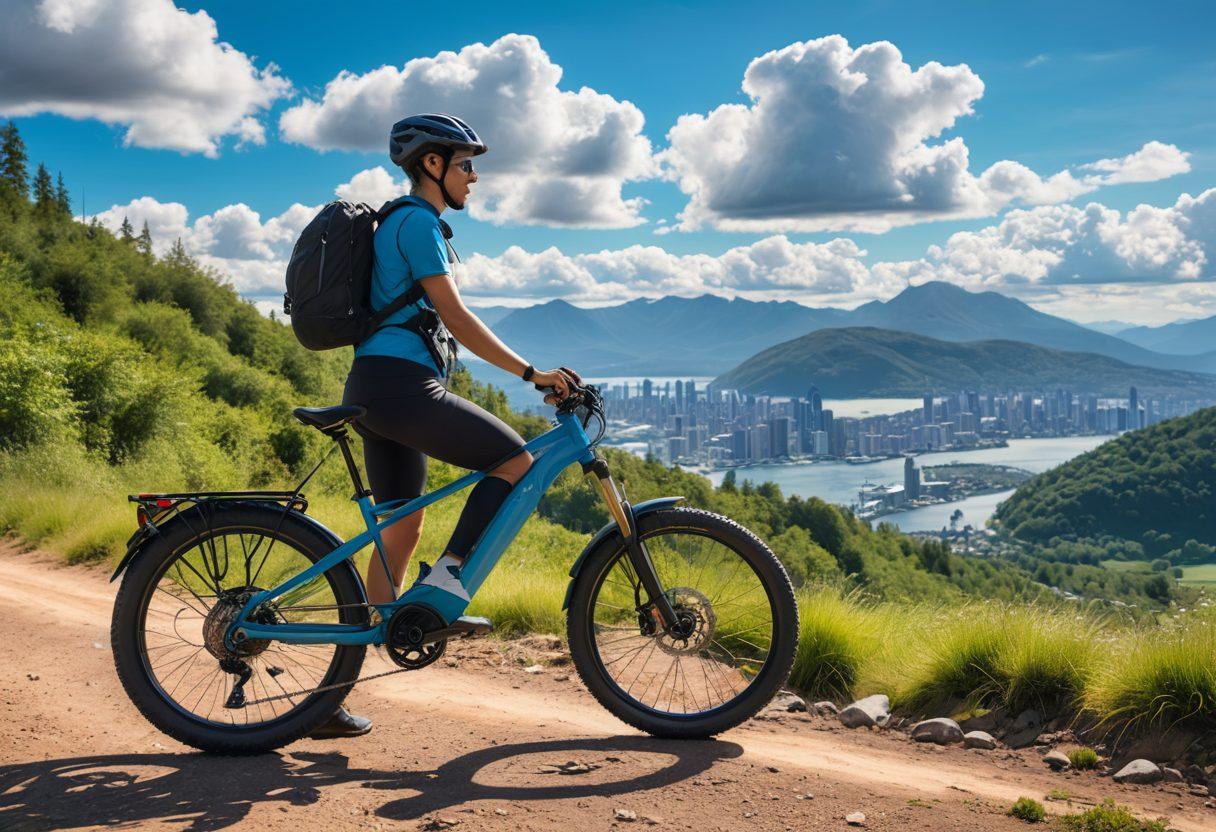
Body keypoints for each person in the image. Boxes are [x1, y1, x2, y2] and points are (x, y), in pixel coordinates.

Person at [310, 114, 581, 739]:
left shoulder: (401, 222)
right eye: (464, 163)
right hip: (402, 390)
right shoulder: (417, 223)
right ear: (432, 165)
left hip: (375, 390)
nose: (473, 175)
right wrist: (531, 372)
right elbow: (454, 315)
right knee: (516, 462)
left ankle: (334, 691)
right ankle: (449, 577)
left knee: (400, 526)